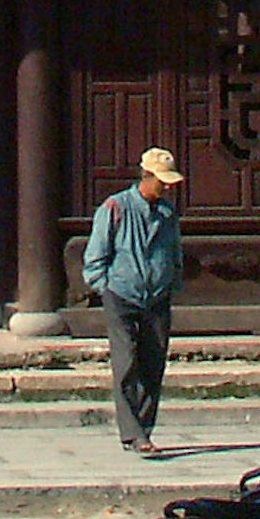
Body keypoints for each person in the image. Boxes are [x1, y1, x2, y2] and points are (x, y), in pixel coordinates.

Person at [83, 146, 186, 456]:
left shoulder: (167, 214)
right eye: (162, 181)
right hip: (122, 296)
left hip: (156, 298)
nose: (167, 187)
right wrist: (105, 288)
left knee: (153, 364)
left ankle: (143, 428)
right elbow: (96, 256)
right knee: (126, 362)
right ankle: (133, 433)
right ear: (147, 176)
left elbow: (175, 254)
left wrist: (171, 284)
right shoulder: (115, 208)